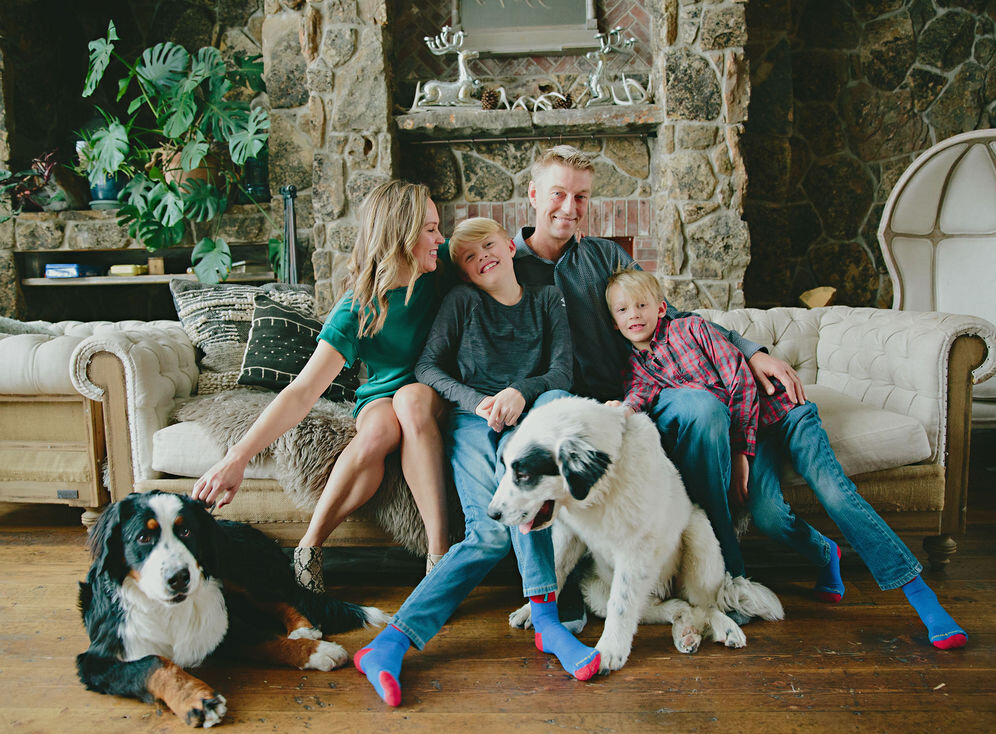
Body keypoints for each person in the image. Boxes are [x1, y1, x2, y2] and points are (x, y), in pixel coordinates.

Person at [604, 268, 967, 650]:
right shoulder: (638, 368)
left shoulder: (691, 329)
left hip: (785, 413)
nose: (634, 315)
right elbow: (638, 400)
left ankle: (922, 597)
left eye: (642, 305)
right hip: (755, 434)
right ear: (614, 322)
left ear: (662, 308)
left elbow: (742, 380)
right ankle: (826, 554)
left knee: (836, 493)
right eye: (623, 309)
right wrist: (619, 411)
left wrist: (742, 454)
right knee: (769, 516)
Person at [512, 144, 806, 583]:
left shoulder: (607, 258)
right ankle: (557, 586)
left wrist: (751, 351)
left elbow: (667, 316)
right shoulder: (500, 265)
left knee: (704, 408)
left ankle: (721, 564)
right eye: (558, 194)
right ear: (534, 195)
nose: (569, 208)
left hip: (639, 397)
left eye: (581, 197)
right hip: (560, 405)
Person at [354, 217, 601, 708]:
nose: (481, 257)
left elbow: (561, 370)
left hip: (527, 420)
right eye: (468, 258)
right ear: (464, 274)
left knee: (535, 469)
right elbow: (427, 367)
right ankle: (390, 643)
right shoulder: (461, 303)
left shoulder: (547, 298)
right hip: (472, 423)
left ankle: (547, 623)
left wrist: (517, 393)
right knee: (487, 533)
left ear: (509, 247)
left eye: (488, 246)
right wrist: (479, 402)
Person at [191, 180, 451, 590]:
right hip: (381, 397)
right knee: (380, 427)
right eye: (431, 229)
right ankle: (309, 546)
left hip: (433, 392)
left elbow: (497, 251)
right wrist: (237, 457)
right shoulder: (358, 307)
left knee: (412, 399)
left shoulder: (443, 265)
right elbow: (302, 392)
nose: (441, 238)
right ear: (400, 235)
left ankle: (439, 557)